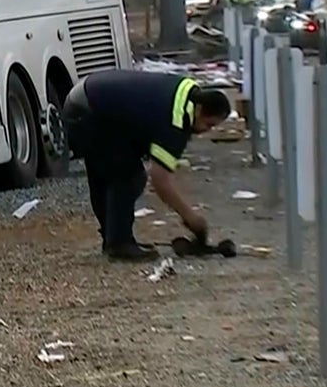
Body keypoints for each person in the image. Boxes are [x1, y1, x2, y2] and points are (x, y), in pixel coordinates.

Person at [61, 69, 232, 261]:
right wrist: (192, 219)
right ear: (199, 110)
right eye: (208, 125)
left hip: (82, 99)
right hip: (89, 112)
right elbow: (160, 180)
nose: (206, 131)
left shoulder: (187, 90)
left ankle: (114, 238)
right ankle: (119, 244)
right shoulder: (177, 120)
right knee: (129, 177)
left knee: (106, 172)